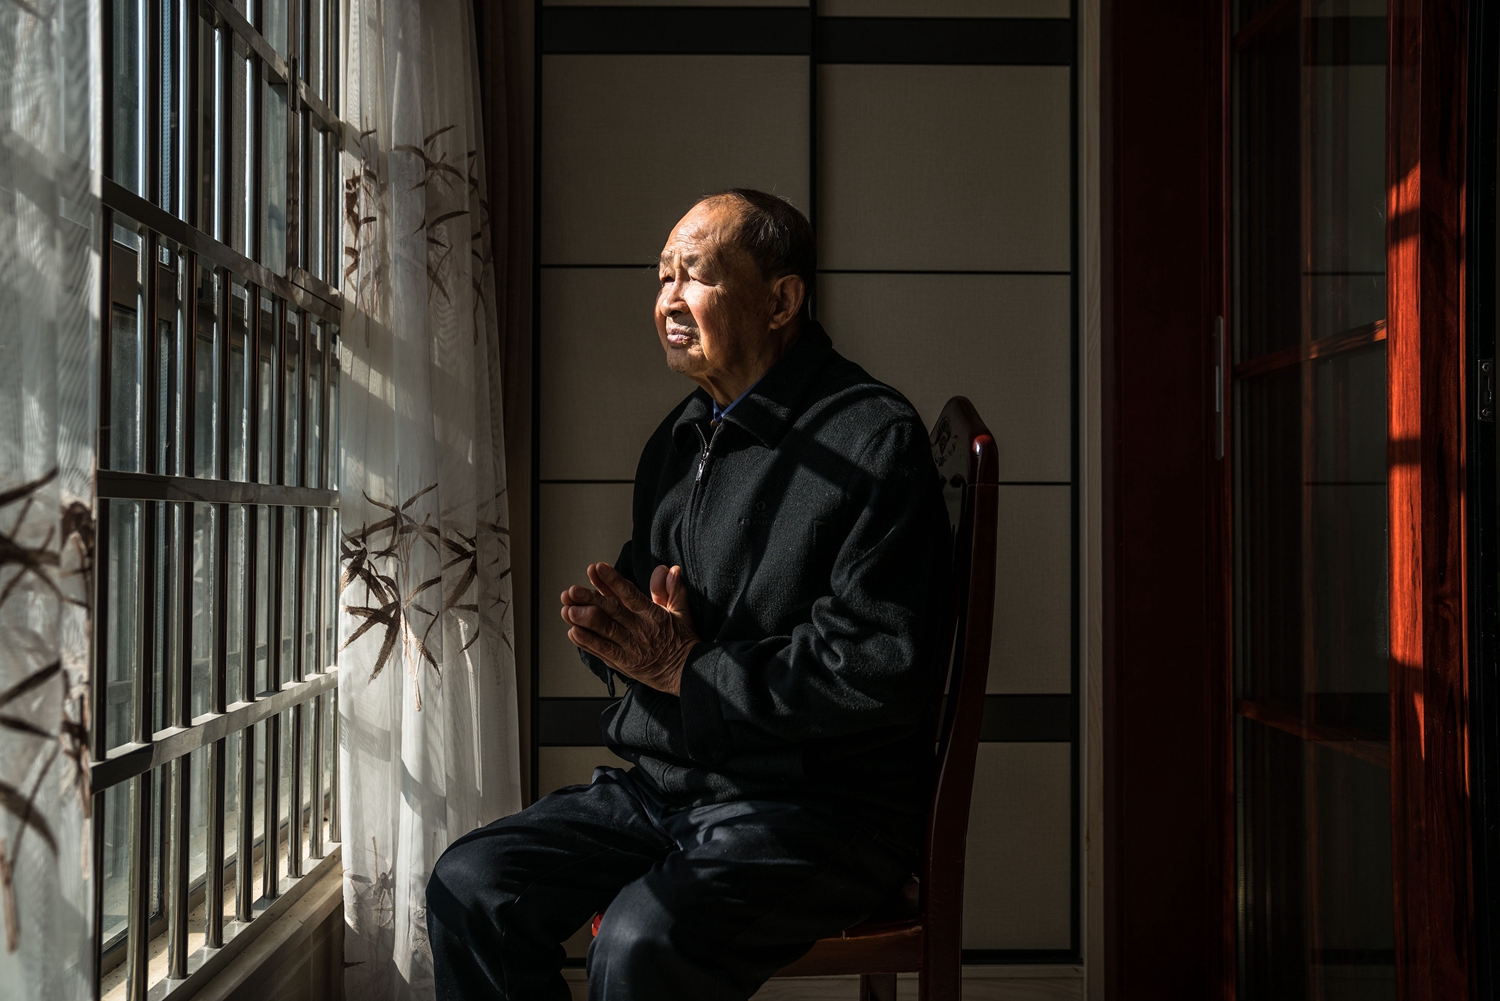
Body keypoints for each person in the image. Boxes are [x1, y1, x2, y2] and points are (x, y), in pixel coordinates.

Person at [426, 189, 953, 1001]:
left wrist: (686, 667)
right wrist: (619, 636)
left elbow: (878, 668)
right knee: (472, 885)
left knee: (642, 940)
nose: (668, 299)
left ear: (781, 300)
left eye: (695, 275)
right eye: (662, 277)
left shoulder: (872, 438)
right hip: (668, 784)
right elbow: (650, 628)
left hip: (821, 807)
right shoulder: (679, 439)